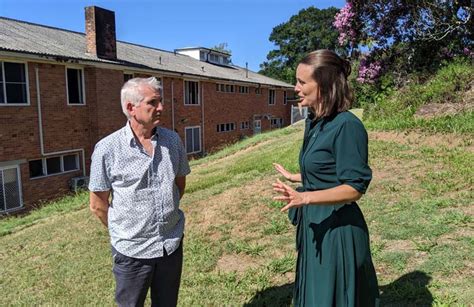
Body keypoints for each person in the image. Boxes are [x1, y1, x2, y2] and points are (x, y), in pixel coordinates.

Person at [272, 50, 379, 306]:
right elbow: (328, 169)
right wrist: (298, 176)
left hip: (337, 229)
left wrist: (304, 197)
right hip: (315, 226)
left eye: (302, 82)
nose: (295, 88)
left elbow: (354, 187)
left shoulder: (347, 126)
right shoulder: (315, 123)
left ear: (325, 84)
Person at [88, 77, 191, 307]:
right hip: (132, 253)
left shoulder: (172, 141)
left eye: (160, 101)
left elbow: (179, 186)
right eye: (152, 102)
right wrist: (127, 230)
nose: (161, 108)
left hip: (170, 245)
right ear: (130, 108)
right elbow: (97, 205)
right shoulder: (107, 148)